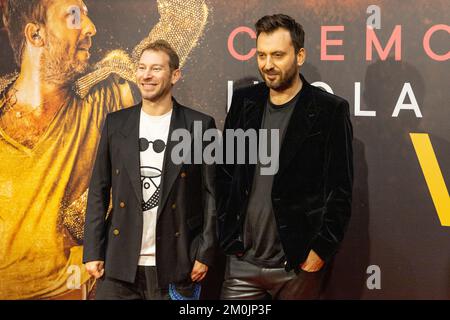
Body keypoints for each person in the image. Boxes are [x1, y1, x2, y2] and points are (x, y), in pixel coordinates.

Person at [0, 0, 208, 299]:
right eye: (74, 16)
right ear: (36, 35)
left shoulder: (109, 92)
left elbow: (186, 15)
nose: (90, 27)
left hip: (81, 289)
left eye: (86, 15)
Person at [217, 14, 353, 300]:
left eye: (278, 55)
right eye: (262, 55)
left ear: (299, 55)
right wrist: (229, 234)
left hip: (297, 266)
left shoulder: (329, 110)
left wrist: (320, 250)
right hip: (242, 264)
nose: (268, 65)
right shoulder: (244, 103)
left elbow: (340, 189)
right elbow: (225, 173)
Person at [83, 40, 217, 300]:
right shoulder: (116, 123)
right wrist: (92, 251)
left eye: (156, 68)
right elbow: (98, 191)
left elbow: (211, 195)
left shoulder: (199, 125)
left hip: (176, 265)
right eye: (142, 67)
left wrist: (205, 252)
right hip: (119, 264)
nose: (146, 75)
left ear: (175, 75)